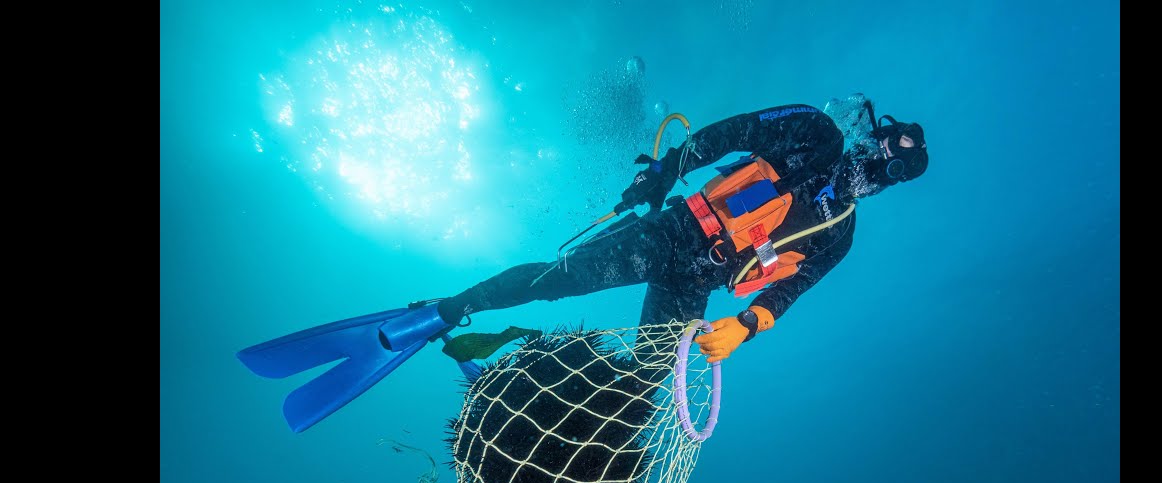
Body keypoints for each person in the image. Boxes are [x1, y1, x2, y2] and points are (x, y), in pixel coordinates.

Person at [238, 98, 929, 432]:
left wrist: (746, 326)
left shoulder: (840, 233)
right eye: (885, 149)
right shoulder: (815, 131)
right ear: (873, 135)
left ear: (891, 184)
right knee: (559, 280)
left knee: (648, 385)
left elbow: (791, 290)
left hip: (700, 277)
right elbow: (733, 133)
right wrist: (665, 171)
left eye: (891, 172)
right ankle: (441, 312)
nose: (878, 167)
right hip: (676, 231)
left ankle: (570, 439)